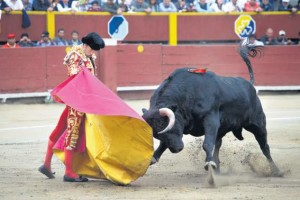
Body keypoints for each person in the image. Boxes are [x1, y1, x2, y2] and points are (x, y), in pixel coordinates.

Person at [38, 32, 105, 182]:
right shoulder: (75, 55)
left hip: (85, 100)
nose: (93, 52)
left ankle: (46, 165)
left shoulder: (90, 57)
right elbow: (75, 77)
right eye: (92, 49)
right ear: (86, 45)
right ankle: (69, 172)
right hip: (76, 99)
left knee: (61, 129)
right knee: (73, 132)